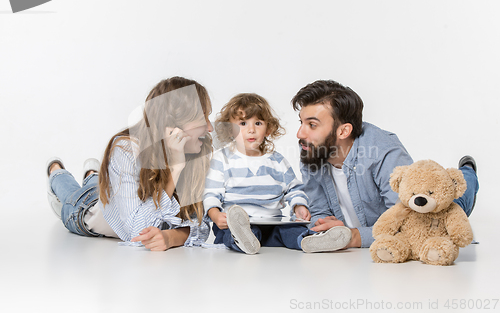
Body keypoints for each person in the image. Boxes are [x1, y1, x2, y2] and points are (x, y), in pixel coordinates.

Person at [292, 80, 479, 248]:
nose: (300, 134)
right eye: (301, 122)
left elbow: (411, 221)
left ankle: (468, 171)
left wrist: (354, 237)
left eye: (312, 125)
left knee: (451, 204)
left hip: (424, 208)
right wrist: (323, 226)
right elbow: (318, 211)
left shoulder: (384, 153)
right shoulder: (312, 151)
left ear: (343, 131)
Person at [46, 76, 214, 251]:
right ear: (174, 125)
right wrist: (175, 169)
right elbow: (136, 232)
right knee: (71, 197)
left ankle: (92, 174)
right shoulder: (125, 150)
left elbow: (201, 225)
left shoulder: (197, 152)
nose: (210, 128)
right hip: (86, 209)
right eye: (203, 119)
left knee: (97, 183)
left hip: (112, 194)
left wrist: (170, 237)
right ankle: (56, 171)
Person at [203, 93, 352, 254]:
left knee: (292, 230)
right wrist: (216, 215)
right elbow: (211, 194)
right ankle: (243, 240)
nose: (251, 130)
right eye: (243, 123)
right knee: (233, 234)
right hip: (237, 224)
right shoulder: (222, 159)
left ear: (268, 129)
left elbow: (294, 188)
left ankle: (312, 240)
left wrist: (299, 206)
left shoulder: (277, 161)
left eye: (258, 123)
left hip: (272, 223)